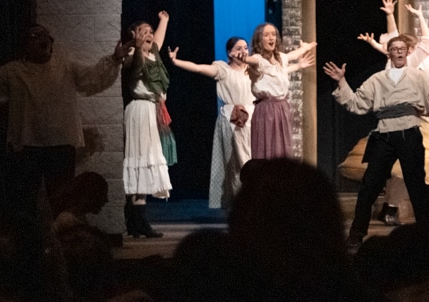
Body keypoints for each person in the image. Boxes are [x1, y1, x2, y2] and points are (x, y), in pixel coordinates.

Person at [0, 25, 128, 218]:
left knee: (62, 199)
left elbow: (92, 77)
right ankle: (30, 244)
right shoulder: (14, 71)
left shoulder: (65, 67)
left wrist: (114, 59)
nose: (42, 39)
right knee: (24, 201)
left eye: (45, 35)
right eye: (35, 36)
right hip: (27, 146)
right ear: (26, 45)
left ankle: (63, 240)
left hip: (60, 145)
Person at [323, 35, 429, 249]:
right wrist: (342, 81)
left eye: (403, 48)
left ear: (408, 52)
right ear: (389, 53)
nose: (399, 52)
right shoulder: (378, 79)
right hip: (384, 134)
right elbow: (357, 104)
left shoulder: (417, 77)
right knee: (369, 186)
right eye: (395, 49)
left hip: (409, 132)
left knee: (416, 184)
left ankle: (426, 232)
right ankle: (357, 233)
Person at [168, 36, 253, 211]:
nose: (243, 51)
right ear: (229, 53)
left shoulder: (254, 70)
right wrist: (176, 62)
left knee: (252, 163)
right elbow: (199, 68)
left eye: (245, 47)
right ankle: (238, 205)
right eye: (238, 48)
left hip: (252, 120)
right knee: (235, 166)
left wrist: (298, 65)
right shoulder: (223, 70)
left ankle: (253, 203)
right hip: (232, 120)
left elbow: (279, 70)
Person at [119, 12, 173, 238]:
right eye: (144, 32)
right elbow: (134, 69)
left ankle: (137, 220)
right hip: (140, 110)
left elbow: (157, 41)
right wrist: (137, 46)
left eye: (150, 32)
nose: (150, 35)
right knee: (140, 161)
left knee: (148, 162)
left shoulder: (154, 54)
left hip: (152, 111)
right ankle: (137, 220)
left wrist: (164, 21)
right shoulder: (132, 54)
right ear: (134, 36)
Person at [245, 24, 316, 161]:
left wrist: (304, 48)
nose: (271, 38)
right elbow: (251, 60)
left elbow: (292, 55)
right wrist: (242, 58)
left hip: (282, 108)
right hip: (266, 109)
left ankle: (282, 179)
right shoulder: (258, 59)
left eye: (273, 34)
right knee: (266, 147)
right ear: (259, 40)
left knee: (282, 147)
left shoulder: (281, 58)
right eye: (266, 35)